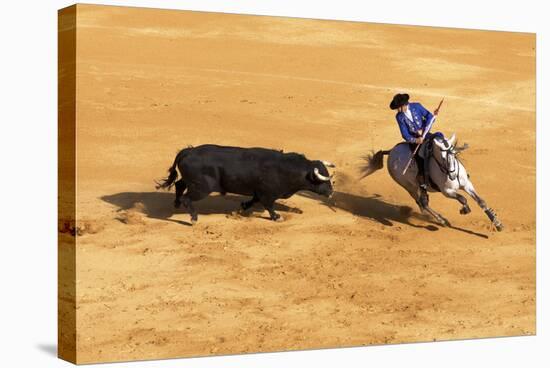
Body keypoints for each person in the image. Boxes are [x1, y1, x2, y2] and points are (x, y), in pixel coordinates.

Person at [389, 93, 444, 201]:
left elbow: (429, 116)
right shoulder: (399, 117)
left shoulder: (417, 106)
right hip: (414, 141)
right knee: (420, 155)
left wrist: (425, 127)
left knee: (440, 139)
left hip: (426, 134)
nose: (398, 110)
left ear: (405, 104)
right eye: (397, 109)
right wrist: (416, 140)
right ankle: (422, 179)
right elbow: (405, 134)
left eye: (399, 107)